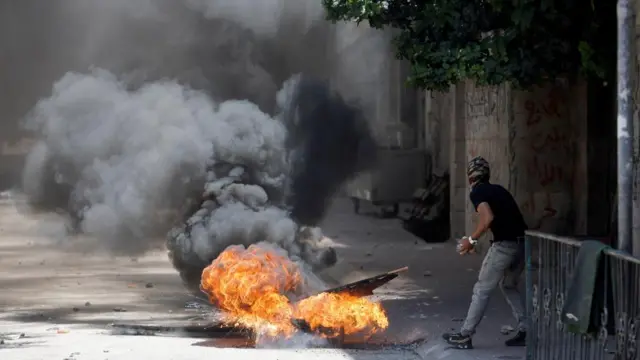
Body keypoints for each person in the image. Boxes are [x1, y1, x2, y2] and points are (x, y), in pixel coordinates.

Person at [442, 156, 528, 349]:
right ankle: (526, 329)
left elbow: (487, 217)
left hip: (505, 246)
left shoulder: (478, 191)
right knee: (508, 285)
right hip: (522, 244)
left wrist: (471, 240)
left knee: (482, 289)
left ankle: (465, 335)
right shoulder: (499, 190)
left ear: (471, 177)